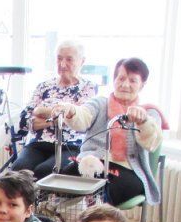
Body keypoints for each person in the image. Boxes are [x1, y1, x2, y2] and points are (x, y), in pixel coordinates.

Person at [53, 57, 163, 205]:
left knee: (101, 191)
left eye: (132, 81)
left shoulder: (149, 112)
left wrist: (143, 121)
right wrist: (71, 110)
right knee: (60, 183)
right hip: (90, 163)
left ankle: (90, 217)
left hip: (128, 171)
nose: (125, 84)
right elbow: (83, 116)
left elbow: (152, 142)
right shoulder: (100, 103)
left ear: (142, 85)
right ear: (114, 80)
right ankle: (62, 217)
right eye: (121, 78)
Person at [15, 40, 100, 178]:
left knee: (45, 172)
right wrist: (58, 118)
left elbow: (80, 121)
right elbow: (24, 121)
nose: (62, 64)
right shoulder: (44, 86)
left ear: (82, 61)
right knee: (19, 170)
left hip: (70, 146)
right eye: (59, 58)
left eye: (69, 59)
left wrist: (40, 112)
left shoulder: (88, 88)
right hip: (38, 143)